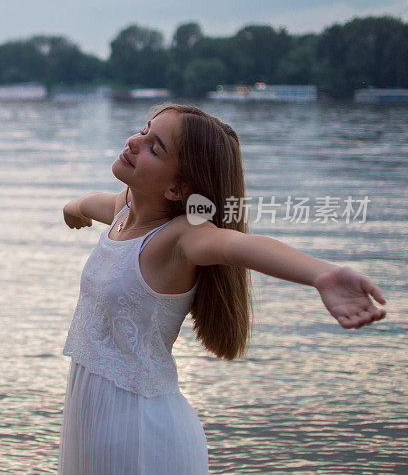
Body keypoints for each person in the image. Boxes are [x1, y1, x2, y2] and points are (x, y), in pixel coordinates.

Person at [58, 103, 387, 474]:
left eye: (154, 147)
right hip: (94, 420)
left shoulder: (181, 239)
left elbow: (237, 245)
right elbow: (88, 202)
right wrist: (73, 209)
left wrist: (321, 274)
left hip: (140, 433)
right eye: (144, 130)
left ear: (177, 187)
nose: (135, 142)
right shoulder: (124, 211)